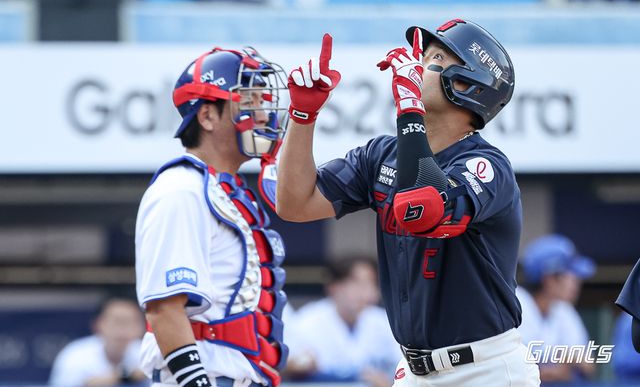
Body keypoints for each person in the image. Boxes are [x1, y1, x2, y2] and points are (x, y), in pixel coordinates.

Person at [276, 19, 540, 386]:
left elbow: (422, 211)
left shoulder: (488, 165)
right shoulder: (382, 154)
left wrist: (410, 110)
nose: (416, 65)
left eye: (435, 59)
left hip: (485, 368)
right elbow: (295, 204)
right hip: (413, 369)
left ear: (467, 85)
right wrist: (303, 115)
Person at [135, 46, 289, 387]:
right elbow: (164, 308)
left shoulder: (226, 190)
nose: (263, 115)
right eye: (249, 102)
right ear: (207, 116)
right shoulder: (181, 188)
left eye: (262, 101)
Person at [286, 256, 400, 387]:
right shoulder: (306, 321)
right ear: (334, 287)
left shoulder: (385, 322)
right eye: (356, 283)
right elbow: (290, 367)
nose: (365, 291)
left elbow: (405, 368)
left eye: (371, 284)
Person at [516, 234, 596, 382]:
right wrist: (563, 363)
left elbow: (588, 365)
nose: (577, 282)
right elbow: (513, 370)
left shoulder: (563, 309)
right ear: (550, 279)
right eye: (571, 275)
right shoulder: (516, 303)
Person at [49, 297, 146, 387]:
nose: (122, 330)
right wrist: (125, 377)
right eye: (117, 321)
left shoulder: (145, 352)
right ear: (99, 324)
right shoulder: (75, 354)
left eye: (129, 322)